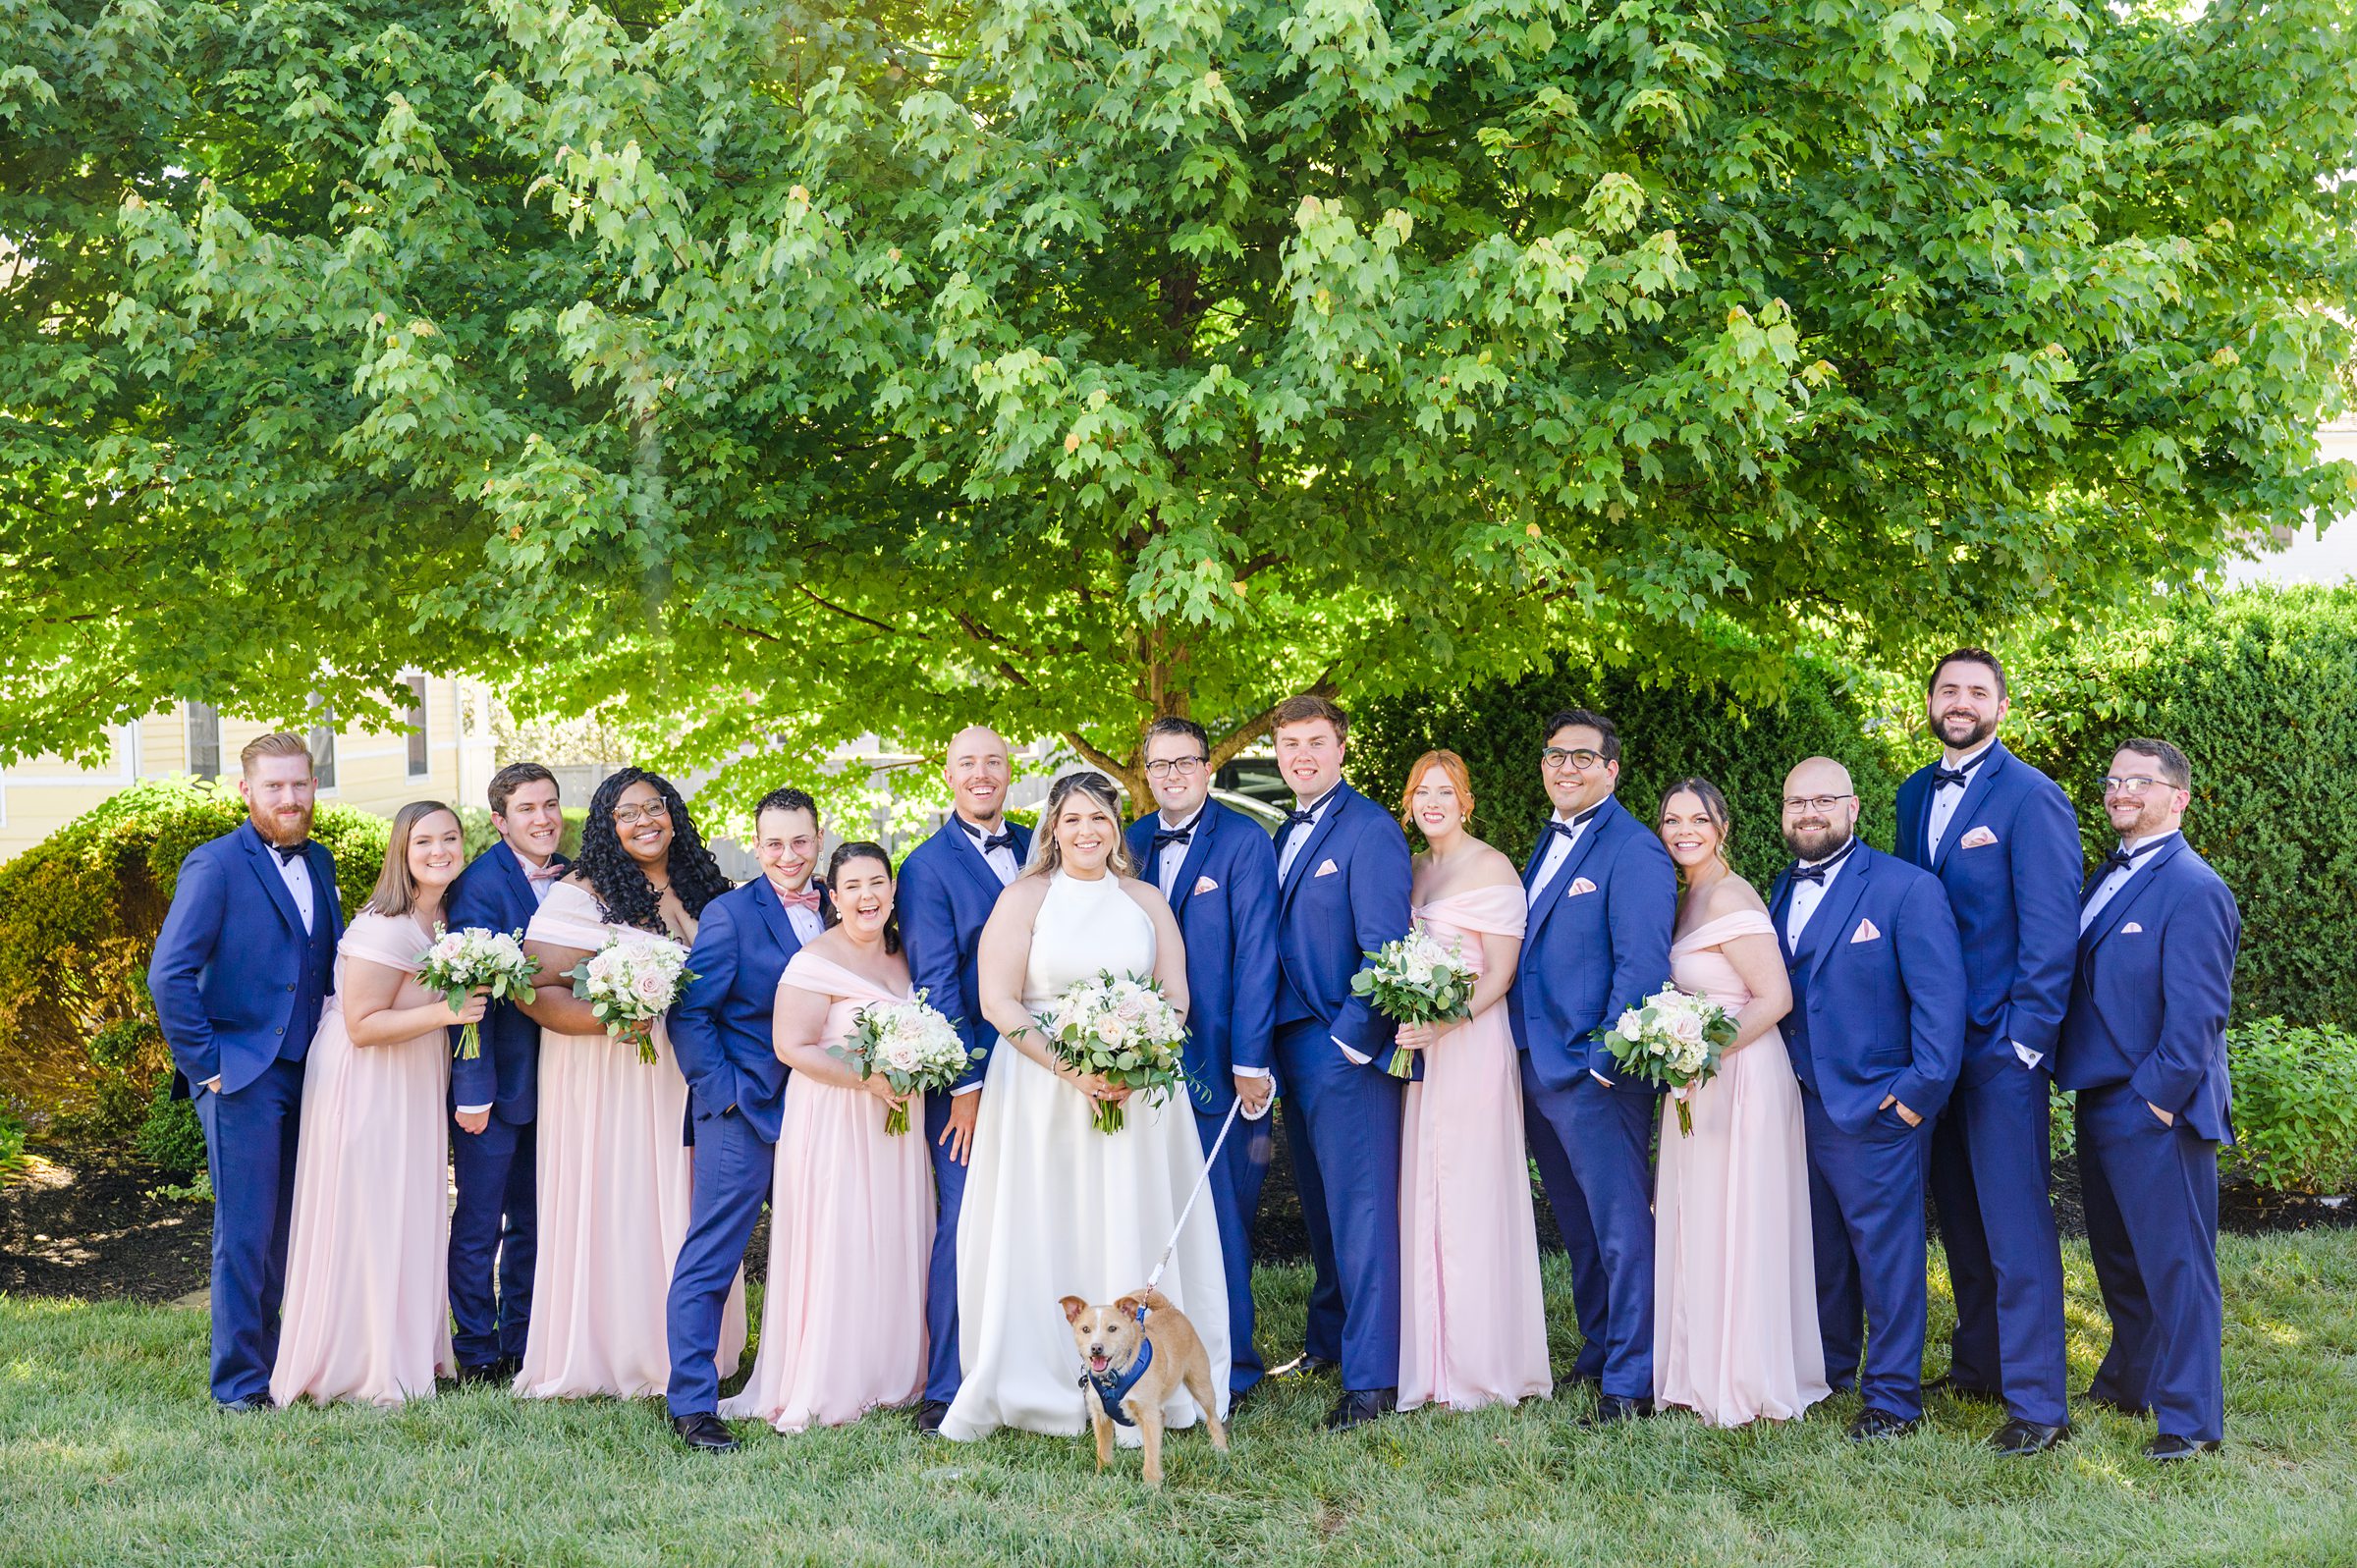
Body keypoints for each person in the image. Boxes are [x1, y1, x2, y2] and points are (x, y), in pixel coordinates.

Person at [940, 771, 1230, 1442]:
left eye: (1099, 817)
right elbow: (999, 1002)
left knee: (1130, 1208)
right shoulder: (1025, 897)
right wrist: (1073, 1069)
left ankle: (1151, 1378)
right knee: (1051, 1216)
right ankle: (1037, 1374)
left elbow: (1176, 994)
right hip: (1043, 1092)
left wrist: (1146, 1051)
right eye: (1072, 819)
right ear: (1052, 827)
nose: (1086, 831)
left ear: (1116, 824)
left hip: (1137, 1094)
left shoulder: (1146, 899)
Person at [1894, 649, 2078, 1454]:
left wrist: (2025, 1041)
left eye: (1976, 691)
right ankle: (1980, 1364)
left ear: (2002, 705)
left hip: (2003, 1049)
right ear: (1929, 702)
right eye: (1948, 689)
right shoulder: (1909, 794)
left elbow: (2051, 931)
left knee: (2015, 1224)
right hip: (1931, 1048)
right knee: (1960, 1217)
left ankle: (2039, 1403)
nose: (1960, 702)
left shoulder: (2034, 798)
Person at [514, 768, 743, 1399]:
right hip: (606, 1077)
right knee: (618, 1197)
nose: (645, 821)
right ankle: (613, 1349)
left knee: (679, 1199)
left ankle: (686, 1346)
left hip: (684, 1073)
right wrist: (612, 1020)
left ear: (674, 813)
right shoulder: (579, 894)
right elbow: (535, 990)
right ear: (606, 826)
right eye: (627, 813)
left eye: (656, 807)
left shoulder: (702, 887)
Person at [1768, 757, 1966, 1440]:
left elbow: (1942, 1009)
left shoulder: (1906, 889)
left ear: (1854, 808)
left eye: (1823, 799)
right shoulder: (1775, 889)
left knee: (1889, 1260)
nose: (1809, 812)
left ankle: (1892, 1398)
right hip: (1799, 1104)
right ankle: (1831, 1367)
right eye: (1797, 801)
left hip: (1879, 1109)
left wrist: (1913, 1099)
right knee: (1822, 1250)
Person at [148, 731, 346, 1411]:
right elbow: (168, 975)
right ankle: (238, 1384)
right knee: (248, 1231)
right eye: (274, 786)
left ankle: (286, 1358)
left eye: (299, 783)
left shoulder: (319, 859)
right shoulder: (214, 864)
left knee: (296, 1222)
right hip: (242, 1076)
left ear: (313, 785)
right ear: (246, 790)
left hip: (311, 1068)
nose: (288, 797)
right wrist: (208, 1067)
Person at [2057, 739, 2240, 1461]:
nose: (2121, 790)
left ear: (2179, 797)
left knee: (2177, 1265)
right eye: (2113, 780)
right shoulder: (2105, 874)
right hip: (2099, 1097)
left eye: (2140, 781)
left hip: (2156, 1107)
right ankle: (2131, 1379)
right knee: (2121, 1259)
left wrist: (2154, 1102)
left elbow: (2199, 1014)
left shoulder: (2195, 887)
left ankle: (2192, 1420)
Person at [723, 842, 934, 1434]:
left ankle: (892, 1372)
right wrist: (869, 1081)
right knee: (841, 1239)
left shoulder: (906, 955)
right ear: (833, 897)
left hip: (896, 1124)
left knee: (893, 1238)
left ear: (893, 891)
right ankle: (831, 1379)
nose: (868, 896)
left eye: (878, 883)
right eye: (853, 887)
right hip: (836, 1118)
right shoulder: (814, 960)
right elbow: (793, 1047)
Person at [1505, 709, 1677, 1423]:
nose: (1565, 767)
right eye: (1554, 755)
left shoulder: (1634, 850)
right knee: (1576, 1224)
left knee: (1619, 1227)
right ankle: (1600, 1349)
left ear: (1612, 769)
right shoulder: (1545, 842)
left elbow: (1641, 962)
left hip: (1593, 1073)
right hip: (1536, 1064)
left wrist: (1605, 1058)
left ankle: (1632, 1382)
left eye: (1582, 756)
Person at [271, 801, 469, 1407]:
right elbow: (360, 1024)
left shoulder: (442, 919)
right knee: (369, 1213)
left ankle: (408, 1350)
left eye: (451, 839)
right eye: (424, 842)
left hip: (409, 1076)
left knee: (408, 1209)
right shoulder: (385, 923)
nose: (440, 851)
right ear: (401, 854)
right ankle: (359, 1361)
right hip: (367, 1081)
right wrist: (449, 1011)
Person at [1650, 779, 1827, 1428]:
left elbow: (1773, 997)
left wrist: (1706, 1053)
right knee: (1699, 1216)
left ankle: (1745, 1378)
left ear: (1722, 826)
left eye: (1698, 818)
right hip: (1694, 1077)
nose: (1684, 829)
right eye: (1672, 819)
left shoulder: (1732, 894)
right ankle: (1696, 1370)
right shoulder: (1685, 896)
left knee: (1738, 1217)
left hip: (1741, 1073)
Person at [1264, 694, 1413, 1431]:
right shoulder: (1280, 830)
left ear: (1342, 747)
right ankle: (1329, 1337)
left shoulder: (1371, 830)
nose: (1302, 756)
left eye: (1316, 742)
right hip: (1289, 1047)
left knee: (1362, 1212)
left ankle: (1373, 1377)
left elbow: (1387, 950)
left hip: (1342, 1048)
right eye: (1290, 744)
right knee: (1322, 1208)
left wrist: (1353, 1040)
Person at [664, 787, 830, 1451]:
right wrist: (725, 1092)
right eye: (774, 843)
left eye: (800, 840)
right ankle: (693, 1405)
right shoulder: (731, 914)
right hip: (744, 1111)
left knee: (822, 1251)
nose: (788, 855)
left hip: (824, 1114)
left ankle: (815, 1378)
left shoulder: (846, 905)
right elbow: (689, 1012)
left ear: (819, 838)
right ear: (757, 845)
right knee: (712, 1259)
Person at [1123, 717, 1281, 1408]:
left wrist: (1252, 1059)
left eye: (1185, 761)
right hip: (1140, 1069)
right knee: (1154, 1214)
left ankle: (1234, 1363)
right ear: (1147, 772)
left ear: (1208, 766)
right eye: (1159, 765)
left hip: (1219, 1063)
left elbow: (1257, 958)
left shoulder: (1244, 840)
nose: (1173, 774)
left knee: (1220, 1222)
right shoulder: (1125, 840)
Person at [1393, 751, 1548, 1414]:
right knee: (1428, 1190)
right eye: (1421, 790)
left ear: (1467, 799)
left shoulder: (1490, 865)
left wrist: (1443, 1024)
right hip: (1423, 1050)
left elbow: (1500, 975)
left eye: (1445, 790)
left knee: (1471, 1194)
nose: (1433, 801)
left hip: (1472, 1043)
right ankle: (1431, 1361)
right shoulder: (1416, 868)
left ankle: (1482, 1364)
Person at [896, 726, 1033, 1431]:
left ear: (1011, 771)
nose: (982, 775)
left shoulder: (1046, 841)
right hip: (972, 1079)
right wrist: (967, 1087)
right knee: (964, 1223)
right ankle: (947, 1385)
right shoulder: (924, 866)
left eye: (994, 762)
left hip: (1049, 1068)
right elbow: (937, 984)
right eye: (967, 764)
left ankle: (1034, 1364)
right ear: (946, 775)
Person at [443, 761, 567, 1384]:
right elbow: (467, 998)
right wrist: (472, 1090)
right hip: (493, 1085)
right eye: (527, 809)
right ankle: (476, 1349)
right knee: (478, 1220)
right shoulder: (477, 888)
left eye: (550, 805)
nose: (543, 819)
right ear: (500, 821)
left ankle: (521, 1337)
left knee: (536, 1218)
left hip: (561, 1083)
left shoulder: (574, 878)